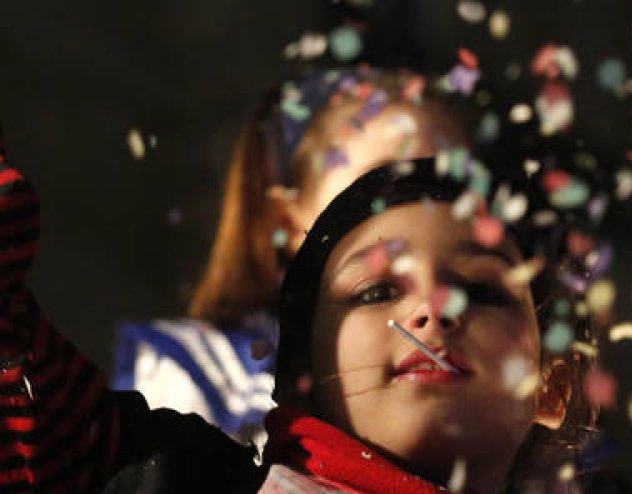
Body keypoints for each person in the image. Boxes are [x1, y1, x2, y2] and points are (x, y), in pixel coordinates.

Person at [0, 98, 632, 494]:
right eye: (379, 287)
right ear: (301, 371)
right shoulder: (159, 485)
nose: (434, 308)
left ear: (551, 388)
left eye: (481, 287)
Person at [112, 66, 461, 446]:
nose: (425, 211)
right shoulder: (199, 373)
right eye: (386, 184)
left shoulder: (487, 356)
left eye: (452, 185)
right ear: (290, 224)